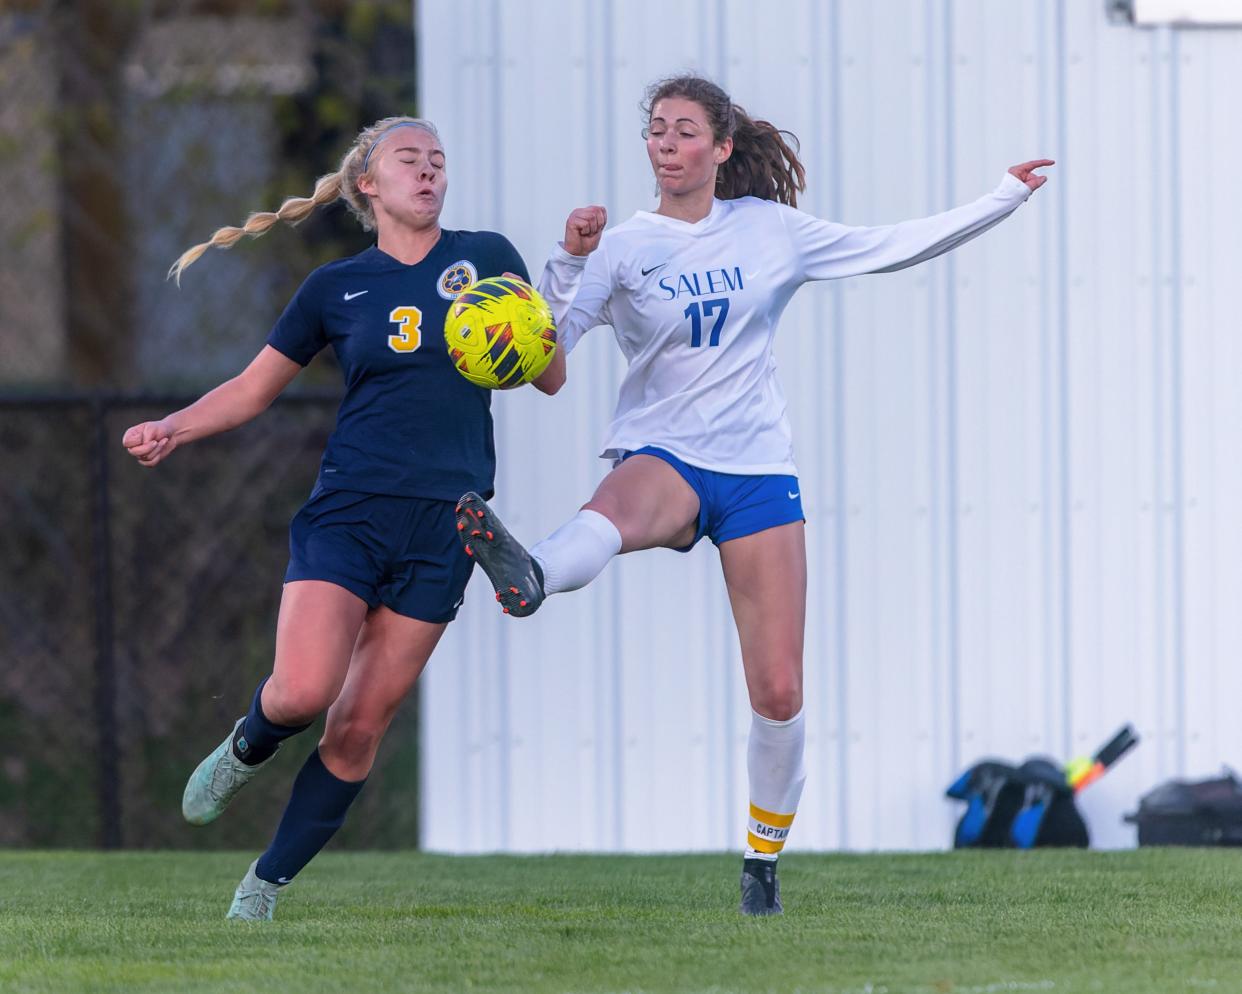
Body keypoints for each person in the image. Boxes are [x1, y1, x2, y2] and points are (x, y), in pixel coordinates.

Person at [455, 74, 1053, 916]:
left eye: (684, 131)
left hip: (758, 470)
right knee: (611, 513)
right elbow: (547, 369)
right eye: (656, 131)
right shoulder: (624, 246)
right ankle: (532, 574)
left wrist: (1000, 198)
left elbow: (892, 245)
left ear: (722, 147)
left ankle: (761, 866)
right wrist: (567, 262)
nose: (666, 145)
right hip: (665, 451)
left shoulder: (771, 230)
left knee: (777, 690)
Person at [122, 115, 603, 920]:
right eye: (409, 161)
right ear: (367, 186)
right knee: (304, 691)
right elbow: (250, 388)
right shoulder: (334, 288)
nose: (429, 173)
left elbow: (547, 373)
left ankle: (262, 889)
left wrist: (568, 269)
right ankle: (249, 743)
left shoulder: (485, 258)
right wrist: (175, 425)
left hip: (450, 524)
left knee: (356, 729)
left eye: (439, 162)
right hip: (350, 510)